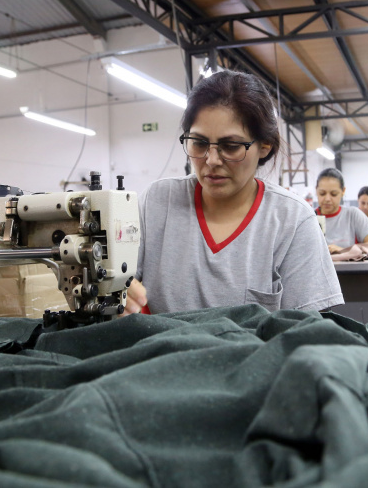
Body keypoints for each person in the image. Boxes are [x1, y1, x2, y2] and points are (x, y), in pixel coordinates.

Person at [124, 71, 343, 315]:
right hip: (162, 352)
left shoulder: (292, 221)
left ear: (264, 146)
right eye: (199, 142)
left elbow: (307, 330)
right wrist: (118, 292)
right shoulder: (157, 202)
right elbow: (114, 284)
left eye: (231, 146)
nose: (212, 159)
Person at [316, 168, 368, 253]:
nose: (327, 199)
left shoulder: (353, 215)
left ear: (343, 191)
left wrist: (344, 250)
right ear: (316, 190)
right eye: (322, 193)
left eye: (334, 194)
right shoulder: (309, 218)